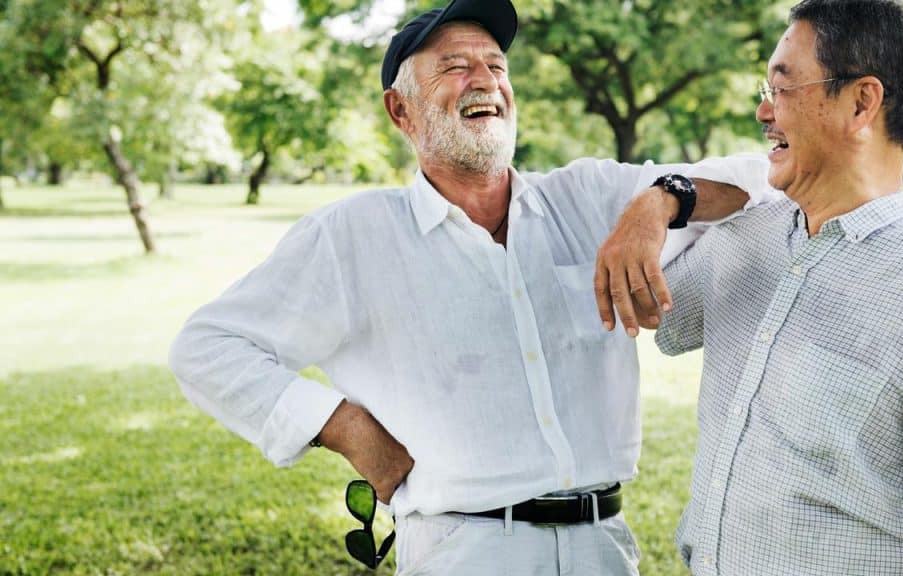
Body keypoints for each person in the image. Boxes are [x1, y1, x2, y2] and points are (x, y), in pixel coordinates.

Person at [168, 0, 777, 573]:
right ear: (400, 111)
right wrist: (341, 424)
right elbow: (207, 347)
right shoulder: (352, 237)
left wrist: (660, 201)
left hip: (603, 546)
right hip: (463, 549)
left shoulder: (587, 197)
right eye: (455, 68)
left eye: (496, 66)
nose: (484, 80)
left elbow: (762, 180)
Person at [596, 0, 903, 574]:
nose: (762, 110)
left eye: (784, 86)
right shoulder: (746, 236)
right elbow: (652, 311)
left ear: (860, 102)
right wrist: (662, 196)